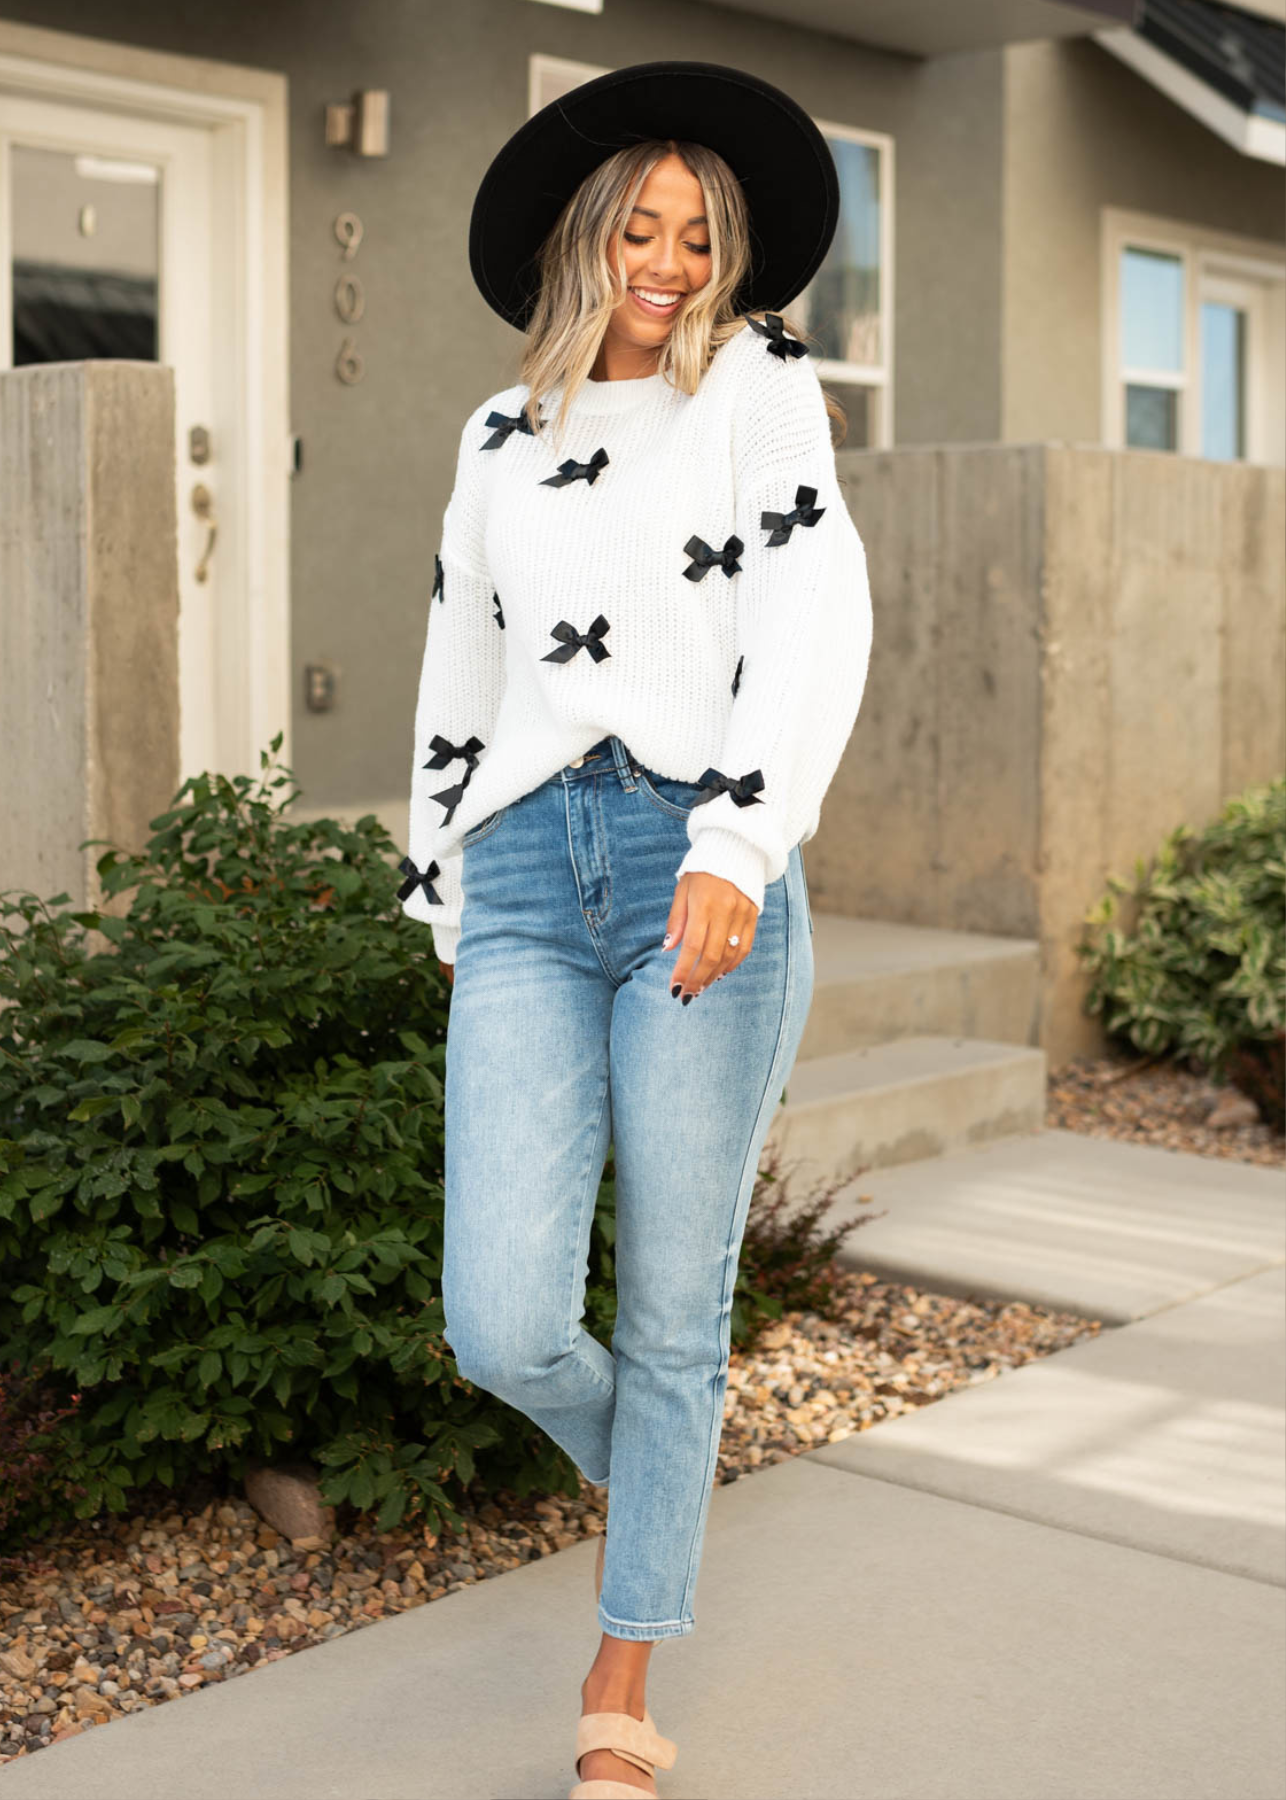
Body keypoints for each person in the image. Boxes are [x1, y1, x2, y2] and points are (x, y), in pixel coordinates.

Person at [396, 59, 873, 1800]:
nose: (666, 262)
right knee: (501, 1321)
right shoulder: (496, 435)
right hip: (525, 869)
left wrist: (740, 841)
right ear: (580, 240)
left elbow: (813, 622)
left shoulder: (757, 392)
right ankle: (667, 1471)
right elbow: (463, 655)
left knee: (673, 1314)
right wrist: (442, 872)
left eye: (699, 235)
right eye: (639, 229)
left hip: (695, 859)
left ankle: (622, 1668)